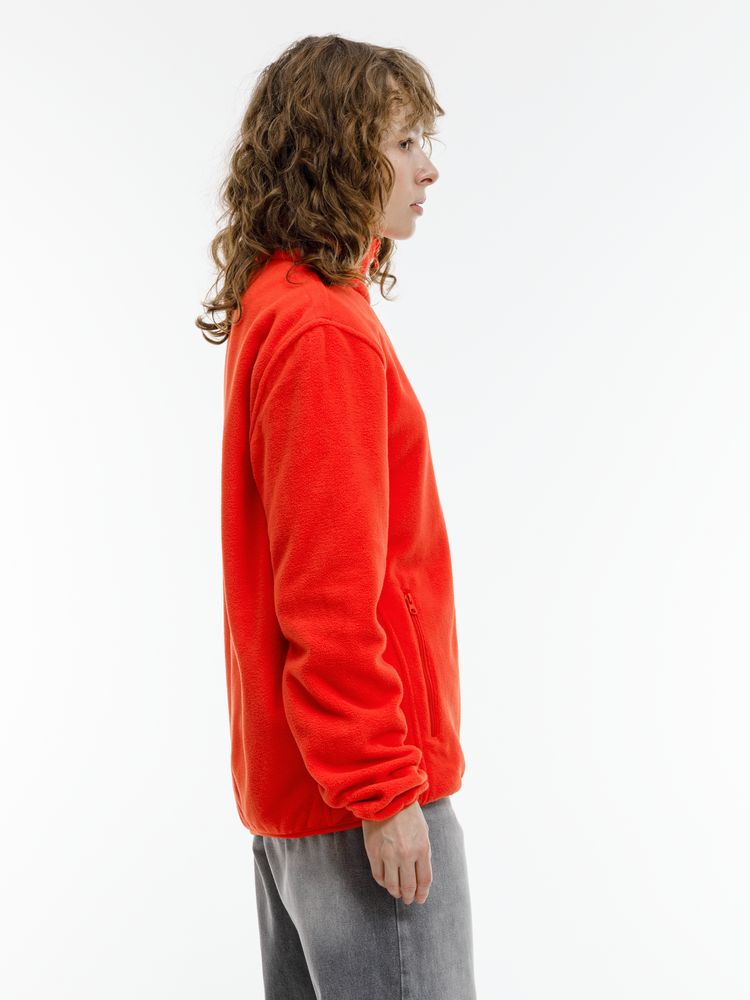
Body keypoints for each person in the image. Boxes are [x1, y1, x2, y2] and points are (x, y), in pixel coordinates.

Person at [197, 33, 477, 1000]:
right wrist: (385, 791)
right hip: (361, 805)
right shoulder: (321, 328)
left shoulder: (282, 303)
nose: (428, 168)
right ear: (338, 152)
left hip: (303, 796)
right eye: (403, 143)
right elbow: (326, 595)